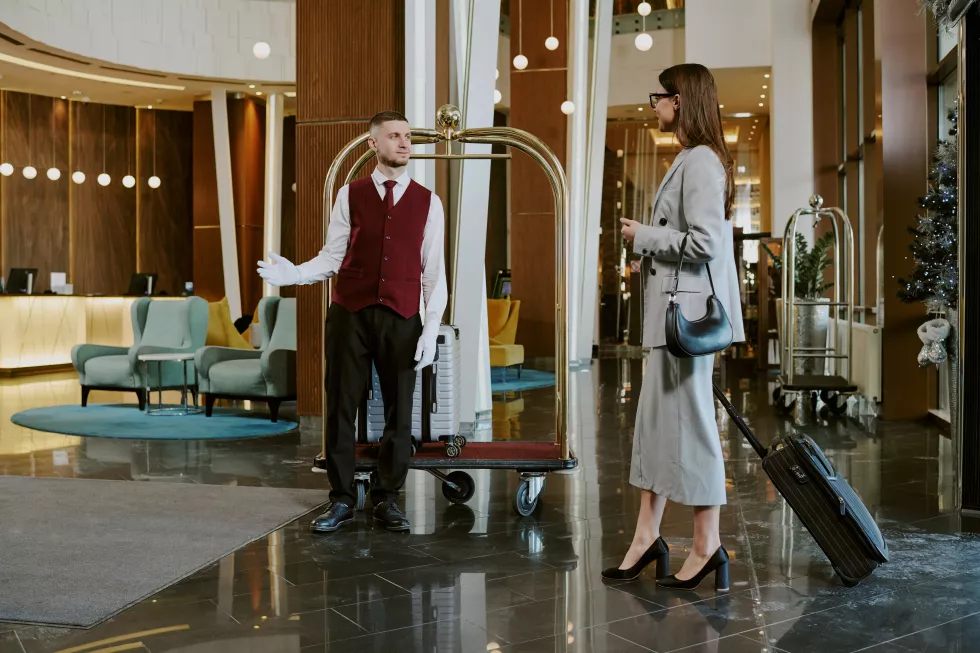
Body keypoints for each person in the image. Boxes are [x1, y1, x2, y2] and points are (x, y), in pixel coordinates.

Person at [257, 111, 447, 533]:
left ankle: (386, 499)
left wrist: (431, 328)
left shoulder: (428, 201)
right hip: (350, 314)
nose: (403, 143)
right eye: (394, 136)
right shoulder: (349, 194)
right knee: (341, 406)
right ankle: (342, 499)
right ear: (373, 145)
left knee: (401, 412)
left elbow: (434, 273)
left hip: (402, 317)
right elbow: (332, 256)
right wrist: (296, 274)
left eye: (407, 137)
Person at [605, 64, 744, 590]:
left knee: (694, 429)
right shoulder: (690, 158)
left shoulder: (703, 162)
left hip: (684, 325)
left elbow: (708, 243)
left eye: (658, 97)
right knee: (656, 428)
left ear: (680, 100)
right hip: (671, 319)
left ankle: (707, 544)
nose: (654, 106)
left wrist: (645, 237)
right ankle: (647, 537)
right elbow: (689, 242)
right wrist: (654, 254)